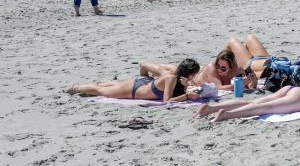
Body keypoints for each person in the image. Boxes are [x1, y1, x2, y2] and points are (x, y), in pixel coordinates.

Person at [194, 50, 300, 121]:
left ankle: (210, 109)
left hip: (295, 90)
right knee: (262, 108)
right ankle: (226, 115)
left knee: (254, 103)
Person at [66, 59, 202, 102]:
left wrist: (185, 87)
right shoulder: (172, 78)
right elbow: (167, 101)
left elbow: (175, 94)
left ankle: (82, 86)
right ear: (189, 73)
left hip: (142, 84)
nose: (194, 77)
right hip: (134, 90)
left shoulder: (179, 79)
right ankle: (76, 88)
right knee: (100, 91)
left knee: (113, 85)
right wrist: (187, 95)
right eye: (194, 74)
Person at [140, 49, 253, 91]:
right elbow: (219, 88)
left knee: (173, 68)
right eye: (217, 65)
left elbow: (253, 80)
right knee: (170, 73)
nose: (218, 69)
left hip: (202, 73)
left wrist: (251, 81)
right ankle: (144, 65)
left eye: (223, 68)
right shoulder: (212, 68)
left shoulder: (237, 70)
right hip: (193, 78)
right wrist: (240, 84)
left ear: (231, 67)